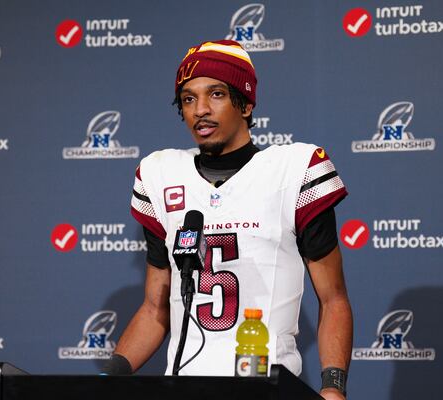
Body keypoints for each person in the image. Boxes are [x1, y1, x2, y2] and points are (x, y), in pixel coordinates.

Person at [105, 40, 352, 400]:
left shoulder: (295, 170)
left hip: (265, 388)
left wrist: (333, 389)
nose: (200, 110)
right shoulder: (160, 175)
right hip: (184, 388)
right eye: (188, 99)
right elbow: (154, 308)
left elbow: (333, 299)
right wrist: (105, 378)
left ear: (247, 103)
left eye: (216, 94)